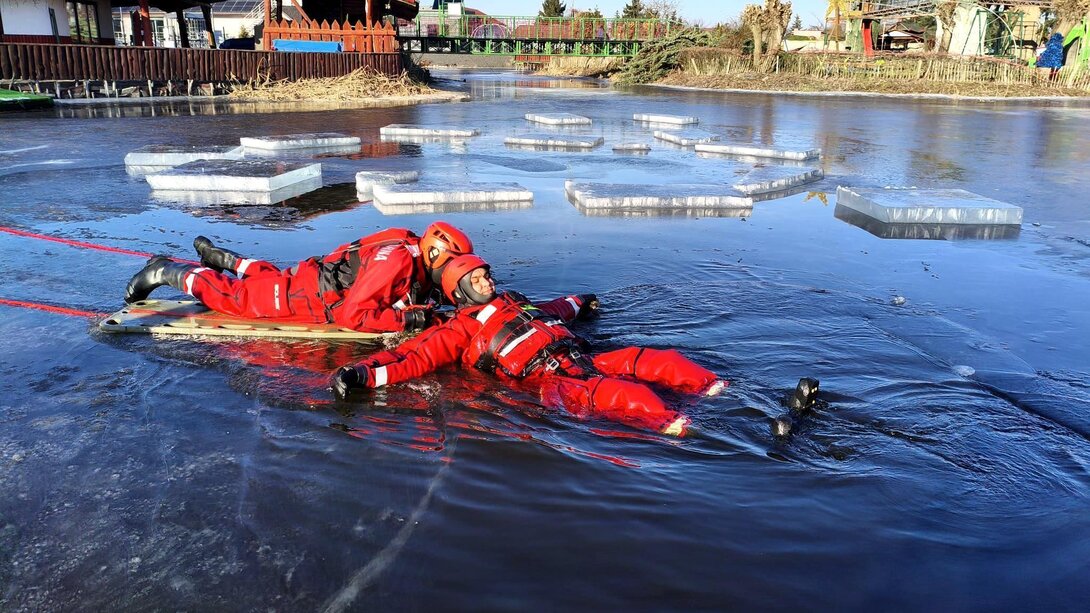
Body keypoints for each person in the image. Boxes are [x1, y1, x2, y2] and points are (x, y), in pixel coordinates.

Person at [331, 254, 727, 436]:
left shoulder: (514, 300)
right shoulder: (457, 330)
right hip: (547, 383)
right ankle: (673, 425)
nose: (488, 280)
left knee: (654, 359)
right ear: (461, 289)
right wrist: (362, 374)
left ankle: (714, 390)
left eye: (487, 274)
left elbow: (551, 309)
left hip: (579, 355)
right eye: (479, 278)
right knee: (615, 393)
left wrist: (579, 302)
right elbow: (412, 358)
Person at [124, 222, 473, 333]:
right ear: (434, 255)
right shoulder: (395, 263)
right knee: (239, 299)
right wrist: (405, 319)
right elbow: (353, 315)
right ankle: (166, 269)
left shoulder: (406, 243)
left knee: (271, 279)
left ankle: (220, 257)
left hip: (312, 279)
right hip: (307, 299)